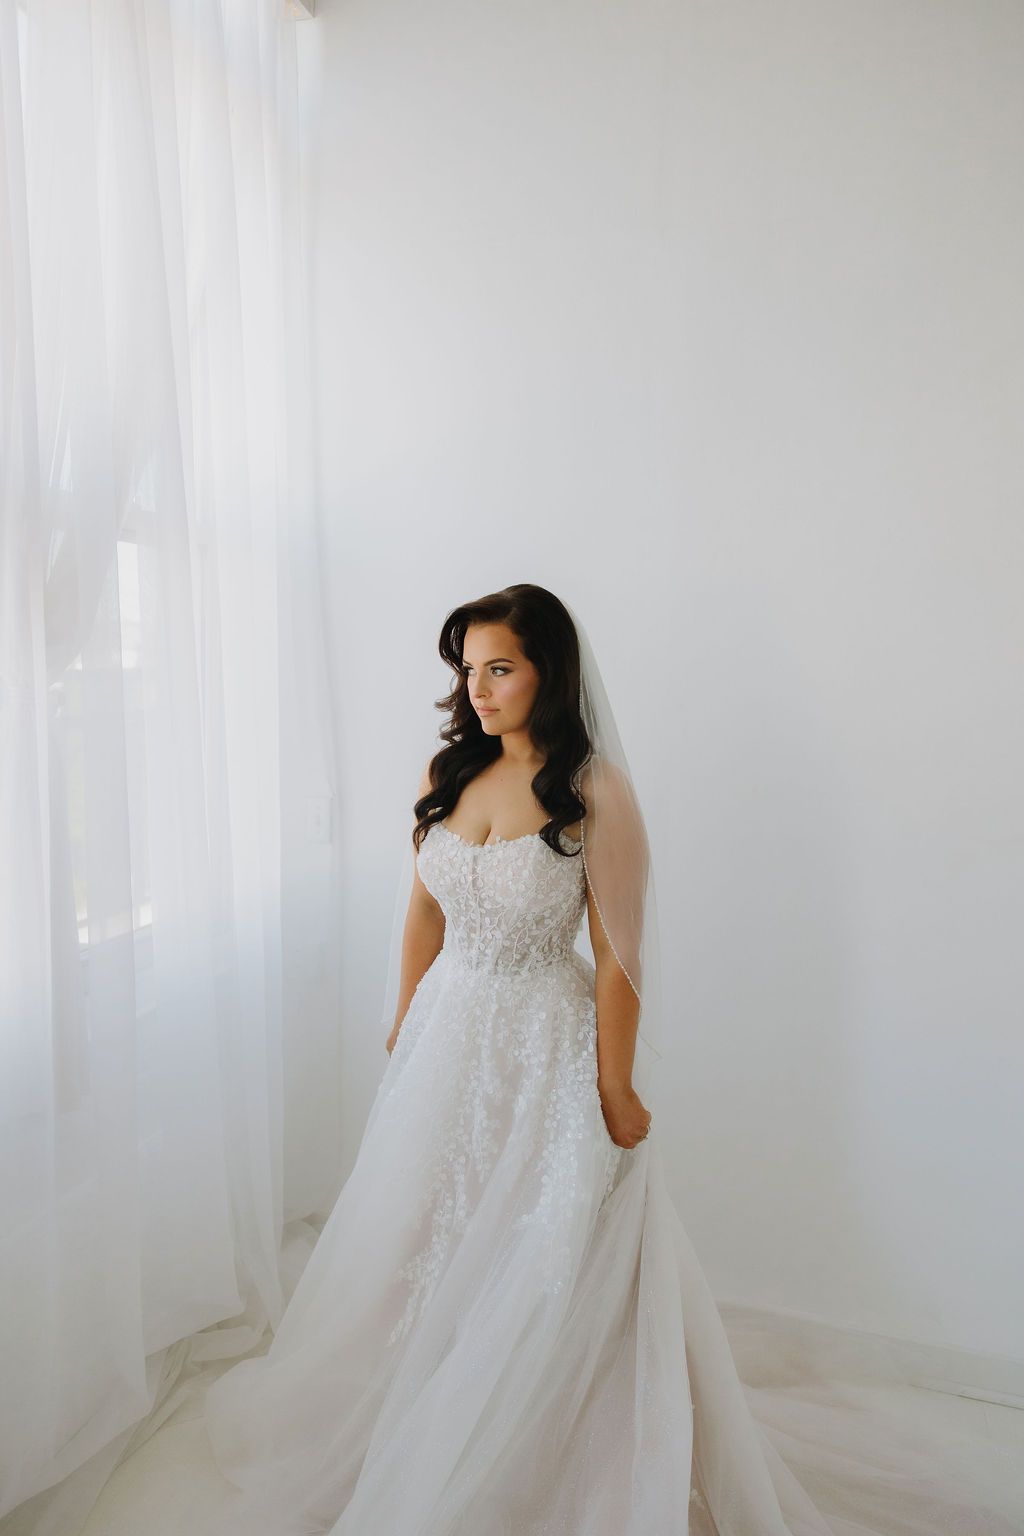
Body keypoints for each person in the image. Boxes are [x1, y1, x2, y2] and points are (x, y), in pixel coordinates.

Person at [204, 584, 1020, 1535]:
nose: (477, 689)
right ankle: (419, 1420)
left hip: (540, 1046)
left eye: (499, 668)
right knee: (428, 1240)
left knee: (541, 1251)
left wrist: (613, 1082)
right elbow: (423, 908)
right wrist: (403, 1021)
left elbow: (618, 955)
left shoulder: (593, 791)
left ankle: (547, 1450)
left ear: (548, 671)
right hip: (448, 1038)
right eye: (467, 669)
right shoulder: (447, 769)